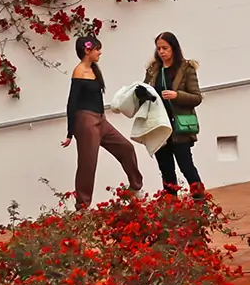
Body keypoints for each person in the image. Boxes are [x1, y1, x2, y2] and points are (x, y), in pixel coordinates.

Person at [64, 33, 143, 206]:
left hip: (101, 120)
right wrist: (70, 132)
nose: (100, 53)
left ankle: (136, 188)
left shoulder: (93, 69)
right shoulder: (79, 71)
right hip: (86, 121)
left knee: (126, 148)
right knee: (88, 164)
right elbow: (72, 103)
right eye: (97, 49)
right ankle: (82, 206)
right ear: (87, 50)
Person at [144, 31, 204, 194]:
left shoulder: (186, 69)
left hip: (179, 126)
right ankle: (171, 210)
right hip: (159, 126)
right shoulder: (153, 69)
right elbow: (145, 90)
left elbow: (196, 97)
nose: (162, 52)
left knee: (186, 167)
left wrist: (177, 95)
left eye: (165, 48)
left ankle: (201, 204)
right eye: (158, 49)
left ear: (174, 48)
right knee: (166, 171)